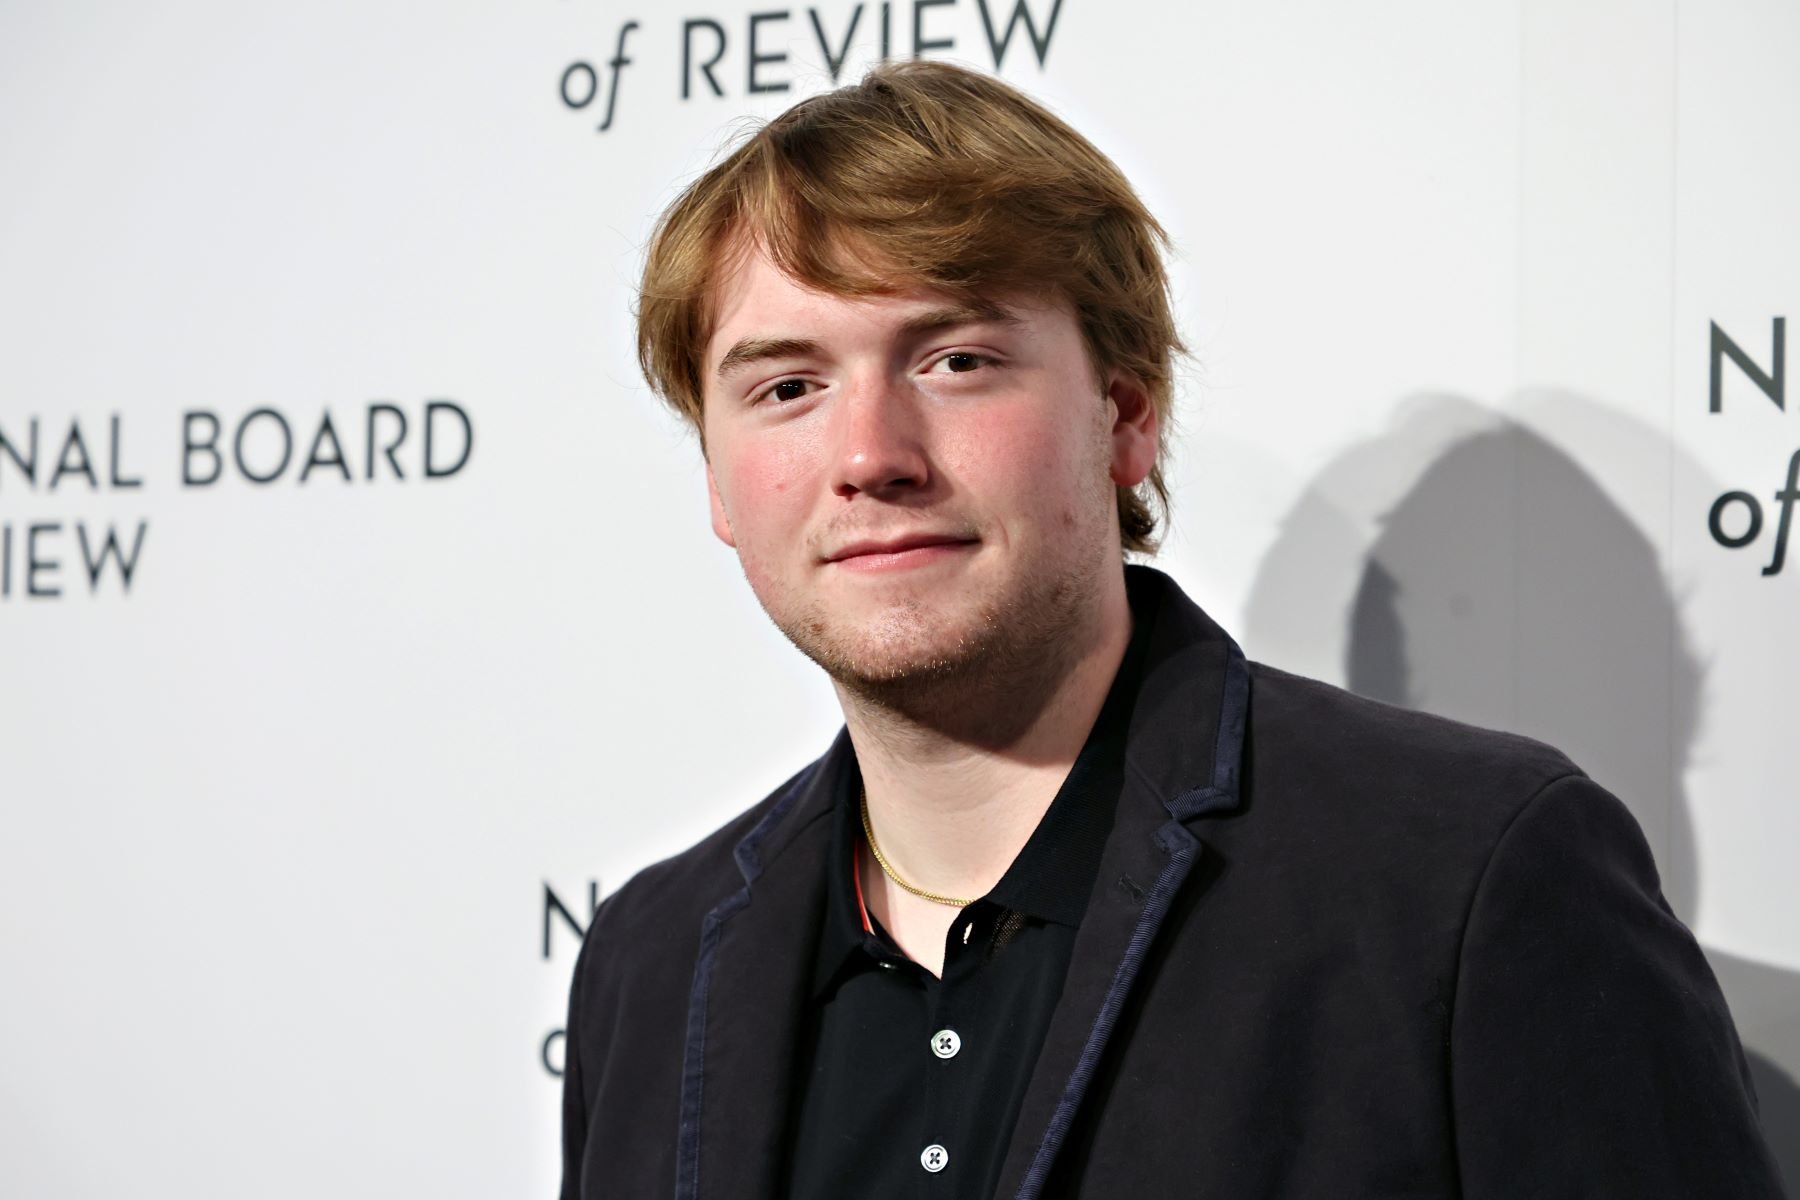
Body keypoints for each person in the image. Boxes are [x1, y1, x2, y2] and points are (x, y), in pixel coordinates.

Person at [560, 60, 1784, 1199]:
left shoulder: (1471, 882)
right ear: (720, 482)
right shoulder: (648, 968)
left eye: (956, 360)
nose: (871, 456)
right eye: (788, 387)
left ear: (1126, 413)